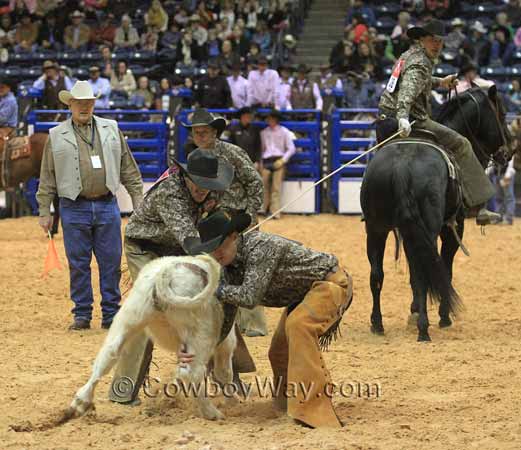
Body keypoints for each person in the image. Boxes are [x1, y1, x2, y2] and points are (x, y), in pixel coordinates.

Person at [181, 209, 353, 428]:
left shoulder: (261, 248)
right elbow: (227, 316)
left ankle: (314, 411)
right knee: (279, 352)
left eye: (219, 245)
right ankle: (287, 404)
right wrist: (204, 350)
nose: (216, 253)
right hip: (304, 294)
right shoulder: (230, 267)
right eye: (210, 249)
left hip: (332, 285)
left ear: (234, 236)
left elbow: (249, 297)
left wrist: (213, 290)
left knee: (298, 326)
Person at [109, 150, 254, 405]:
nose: (202, 189)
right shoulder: (170, 193)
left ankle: (230, 379)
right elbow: (190, 241)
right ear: (186, 176)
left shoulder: (212, 191)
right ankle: (123, 391)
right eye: (198, 183)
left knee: (220, 305)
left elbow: (224, 219)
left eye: (208, 185)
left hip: (178, 248)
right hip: (146, 249)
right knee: (147, 311)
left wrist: (233, 232)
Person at [36, 81, 143, 330]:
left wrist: (139, 201)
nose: (85, 106)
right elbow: (47, 177)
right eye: (80, 102)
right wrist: (44, 211)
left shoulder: (111, 128)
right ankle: (82, 313)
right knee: (78, 263)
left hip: (107, 204)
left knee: (111, 262)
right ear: (70, 104)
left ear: (94, 104)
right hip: (73, 206)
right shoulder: (56, 135)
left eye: (89, 102)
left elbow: (129, 169)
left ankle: (111, 314)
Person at [376, 19, 500, 226]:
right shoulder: (420, 62)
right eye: (433, 40)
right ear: (421, 39)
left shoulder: (408, 56)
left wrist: (440, 82)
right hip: (412, 120)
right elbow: (408, 90)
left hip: (384, 120)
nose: (437, 45)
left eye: (440, 42)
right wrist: (404, 117)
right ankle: (479, 205)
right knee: (462, 144)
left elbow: (415, 81)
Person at [184, 108, 267, 337]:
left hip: (240, 217)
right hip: (213, 220)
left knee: (247, 267)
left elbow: (255, 182)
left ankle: (254, 323)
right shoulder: (193, 158)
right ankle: (224, 321)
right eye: (195, 133)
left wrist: (250, 214)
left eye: (203, 133)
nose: (199, 137)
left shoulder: (232, 152)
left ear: (214, 133)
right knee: (215, 267)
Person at [260, 109, 296, 220]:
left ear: (276, 119)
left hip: (278, 160)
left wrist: (283, 161)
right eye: (268, 118)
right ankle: (264, 208)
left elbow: (291, 148)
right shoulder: (264, 132)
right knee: (264, 185)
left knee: (276, 186)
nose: (269, 120)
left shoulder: (284, 132)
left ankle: (274, 211)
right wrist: (261, 162)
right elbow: (262, 149)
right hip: (267, 161)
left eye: (271, 118)